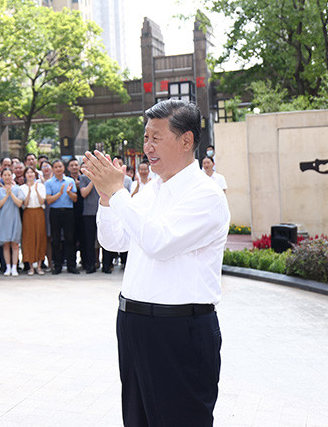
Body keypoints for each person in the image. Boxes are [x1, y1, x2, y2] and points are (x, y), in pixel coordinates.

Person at [84, 99, 229, 427]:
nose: (147, 146)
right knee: (138, 419)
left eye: (156, 137)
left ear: (186, 140)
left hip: (178, 330)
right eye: (145, 137)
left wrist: (119, 195)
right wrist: (108, 202)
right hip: (134, 325)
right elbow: (115, 242)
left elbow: (159, 242)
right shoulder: (149, 191)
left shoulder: (206, 196)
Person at [45, 160, 78, 274]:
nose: (58, 169)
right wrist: (59, 193)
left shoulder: (70, 181)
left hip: (68, 212)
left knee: (70, 238)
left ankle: (71, 265)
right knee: (56, 239)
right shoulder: (49, 182)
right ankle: (57, 266)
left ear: (64, 168)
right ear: (53, 169)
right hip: (55, 212)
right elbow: (48, 200)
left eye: (60, 166)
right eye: (56, 167)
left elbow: (75, 199)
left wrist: (69, 193)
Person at [0, 167, 25, 276]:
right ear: (2, 177)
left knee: (15, 244)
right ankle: (7, 267)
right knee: (6, 244)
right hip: (3, 219)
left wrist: (11, 193)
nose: (7, 177)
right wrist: (6, 194)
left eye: (9, 175)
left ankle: (14, 267)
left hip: (15, 218)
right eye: (5, 175)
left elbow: (19, 204)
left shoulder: (18, 189)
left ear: (12, 176)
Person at [20, 166, 46, 275]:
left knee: (40, 237)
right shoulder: (22, 188)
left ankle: (39, 266)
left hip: (39, 212)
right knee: (28, 238)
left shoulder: (41, 186)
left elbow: (42, 201)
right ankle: (31, 266)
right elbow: (24, 204)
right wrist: (30, 192)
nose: (30, 174)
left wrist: (35, 190)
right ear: (25, 175)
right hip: (28, 212)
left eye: (32, 172)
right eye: (27, 172)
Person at [78, 163, 99, 274]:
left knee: (103, 239)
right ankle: (91, 265)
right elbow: (84, 193)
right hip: (88, 213)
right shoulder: (83, 178)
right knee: (89, 241)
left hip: (101, 212)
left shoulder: (102, 176)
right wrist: (93, 180)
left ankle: (106, 265)